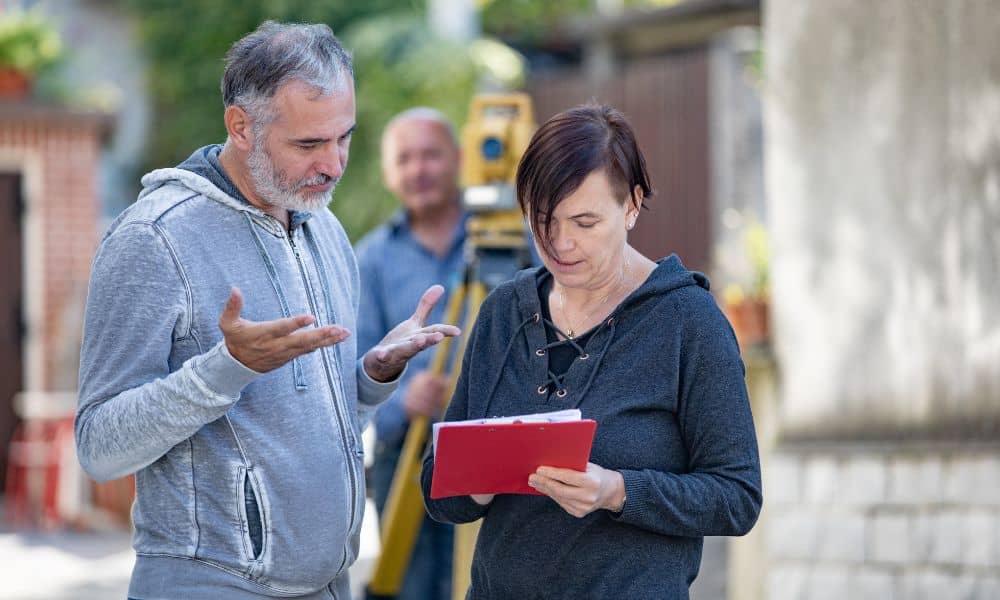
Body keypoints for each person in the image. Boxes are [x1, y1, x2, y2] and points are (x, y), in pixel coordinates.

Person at [75, 22, 460, 600]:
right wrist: (226, 368)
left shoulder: (324, 228)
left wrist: (372, 375)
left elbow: (302, 421)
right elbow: (99, 447)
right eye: (309, 144)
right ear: (241, 126)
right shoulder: (153, 238)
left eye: (344, 138)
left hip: (330, 584)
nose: (334, 164)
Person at [420, 104, 762, 599]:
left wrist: (617, 491)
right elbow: (438, 491)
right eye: (543, 219)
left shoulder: (689, 321)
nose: (560, 243)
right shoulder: (503, 311)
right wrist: (477, 480)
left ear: (632, 205)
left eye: (585, 222)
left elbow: (737, 498)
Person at [354, 108, 466, 600]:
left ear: (458, 158)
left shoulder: (509, 240)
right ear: (388, 172)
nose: (418, 169)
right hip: (405, 454)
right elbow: (354, 366)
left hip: (496, 451)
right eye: (405, 159)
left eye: (430, 155)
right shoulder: (371, 258)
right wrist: (402, 400)